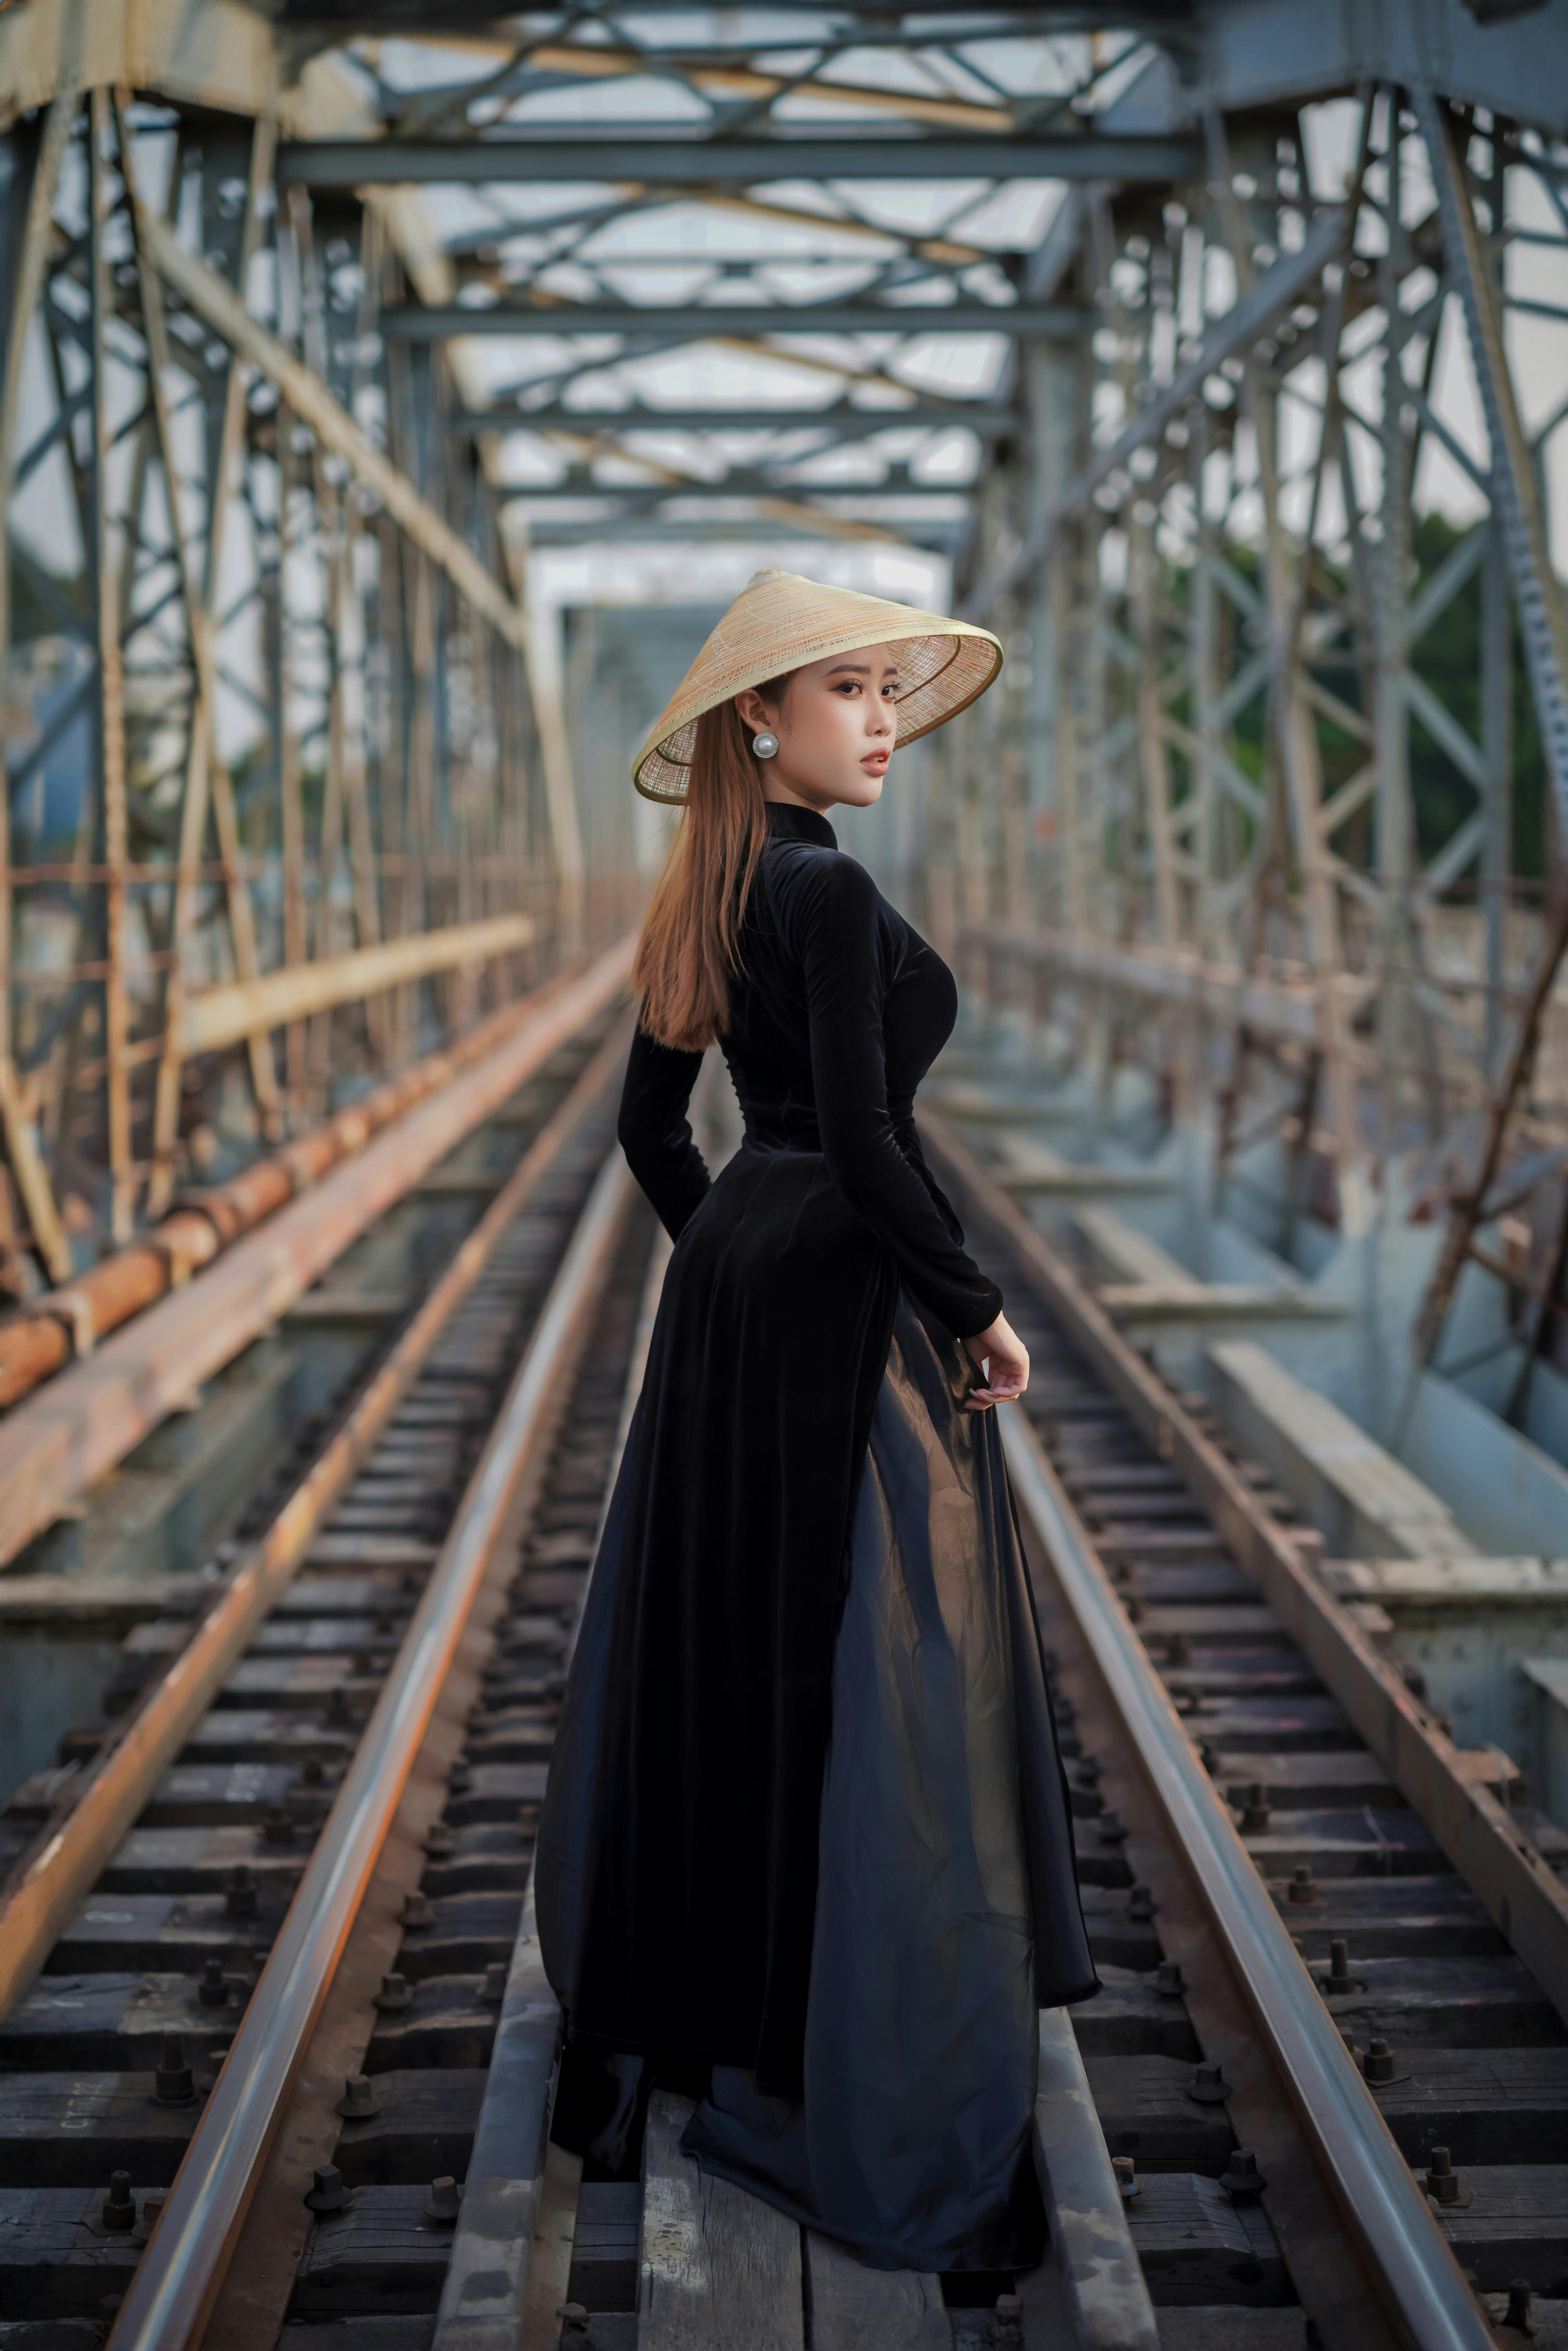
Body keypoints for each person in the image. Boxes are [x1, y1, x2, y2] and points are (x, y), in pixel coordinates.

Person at [536, 568, 1097, 2276]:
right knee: (877, 1669)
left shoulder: (713, 884)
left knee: (732, 1648)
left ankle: (712, 2004)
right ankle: (831, 2034)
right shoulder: (833, 903)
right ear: (759, 722)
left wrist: (725, 1253)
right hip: (837, 1301)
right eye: (847, 691)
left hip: (736, 1297)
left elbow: (654, 1130)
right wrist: (977, 1309)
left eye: (885, 690)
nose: (882, 723)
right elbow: (869, 1146)